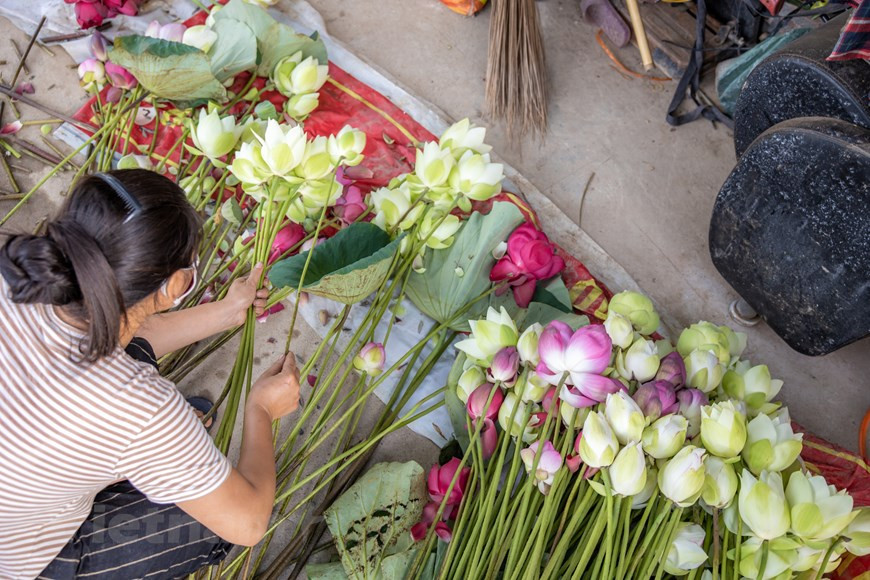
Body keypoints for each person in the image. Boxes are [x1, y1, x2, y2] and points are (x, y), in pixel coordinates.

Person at [0, 169, 301, 579]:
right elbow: (248, 523)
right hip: (20, 559)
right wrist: (260, 409)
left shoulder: (18, 280)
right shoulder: (141, 408)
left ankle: (147, 460)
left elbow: (118, 334)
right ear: (176, 284)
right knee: (205, 522)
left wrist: (226, 312)